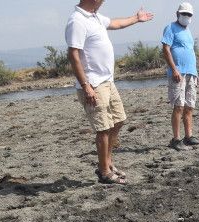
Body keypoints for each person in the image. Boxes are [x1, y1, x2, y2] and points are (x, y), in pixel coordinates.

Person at [66, 1, 154, 184]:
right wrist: (86, 86)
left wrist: (136, 19)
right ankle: (104, 172)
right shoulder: (77, 20)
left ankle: (107, 161)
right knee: (103, 129)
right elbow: (73, 55)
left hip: (107, 81)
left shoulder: (95, 17)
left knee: (119, 120)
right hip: (94, 84)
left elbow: (115, 23)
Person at [161, 2, 199, 151]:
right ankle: (176, 139)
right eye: (184, 14)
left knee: (189, 105)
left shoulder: (188, 31)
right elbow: (166, 49)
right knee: (179, 106)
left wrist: (196, 72)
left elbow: (190, 52)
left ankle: (189, 136)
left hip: (191, 73)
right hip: (178, 74)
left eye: (189, 14)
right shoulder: (170, 28)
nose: (186, 16)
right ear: (177, 14)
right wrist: (174, 70)